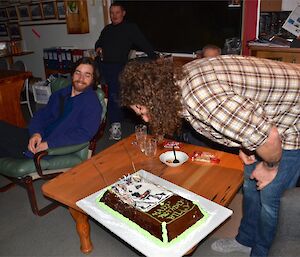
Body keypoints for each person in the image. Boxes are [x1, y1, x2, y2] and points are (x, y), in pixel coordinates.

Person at [119, 55, 300, 257]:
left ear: (156, 98)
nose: (145, 118)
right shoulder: (177, 83)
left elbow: (269, 137)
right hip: (269, 119)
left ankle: (261, 252)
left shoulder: (200, 99)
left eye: (144, 111)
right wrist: (246, 142)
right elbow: (246, 116)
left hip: (292, 123)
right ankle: (246, 240)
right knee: (251, 188)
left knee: (270, 200)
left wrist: (270, 167)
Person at [0, 57, 102, 159]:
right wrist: (36, 133)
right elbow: (42, 115)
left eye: (87, 75)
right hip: (37, 137)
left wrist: (48, 144)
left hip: (50, 148)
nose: (81, 78)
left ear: (93, 79)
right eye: (78, 73)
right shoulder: (60, 94)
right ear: (72, 74)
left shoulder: (92, 104)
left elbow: (84, 134)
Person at [95, 2, 157, 140]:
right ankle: (100, 121)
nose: (114, 15)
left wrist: (155, 57)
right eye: (112, 13)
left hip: (118, 67)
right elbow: (98, 42)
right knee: (104, 92)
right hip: (102, 66)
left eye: (117, 12)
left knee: (114, 92)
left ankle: (116, 124)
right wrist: (98, 47)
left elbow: (143, 42)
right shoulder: (107, 29)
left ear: (123, 13)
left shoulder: (130, 28)